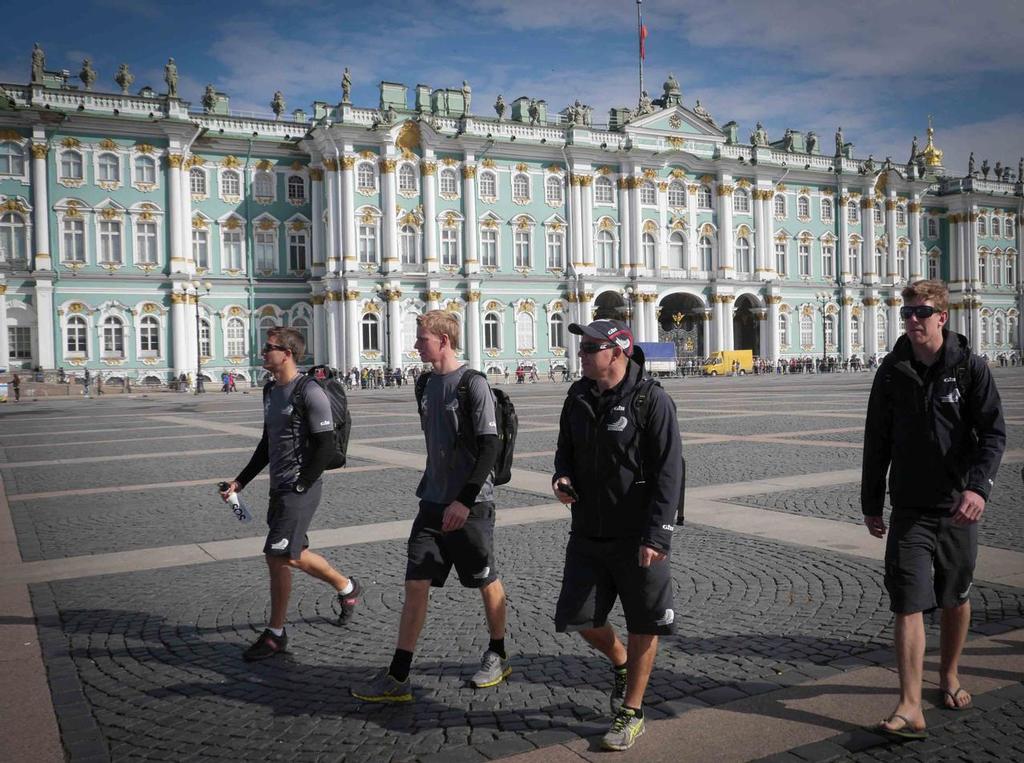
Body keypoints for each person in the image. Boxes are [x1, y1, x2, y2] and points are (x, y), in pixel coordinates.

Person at [862, 279, 1005, 739]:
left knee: (955, 598)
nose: (912, 321)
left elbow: (993, 435)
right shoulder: (890, 370)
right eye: (906, 313)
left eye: (921, 313)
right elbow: (875, 441)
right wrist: (871, 503)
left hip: (958, 507)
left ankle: (949, 674)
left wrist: (978, 489)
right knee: (907, 603)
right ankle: (909, 705)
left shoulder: (969, 368)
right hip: (909, 508)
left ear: (942, 316)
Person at [351, 310, 508, 702]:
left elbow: (490, 446)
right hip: (432, 503)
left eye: (422, 338)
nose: (416, 345)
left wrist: (465, 500)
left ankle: (498, 652)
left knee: (484, 580)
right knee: (415, 584)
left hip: (471, 506)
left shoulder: (474, 385)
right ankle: (398, 676)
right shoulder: (422, 384)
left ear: (443, 340)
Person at [551, 319, 683, 751]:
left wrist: (657, 536)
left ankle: (632, 710)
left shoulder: (651, 400)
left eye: (591, 347)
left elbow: (670, 472)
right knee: (578, 618)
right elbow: (564, 450)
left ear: (617, 351)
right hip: (588, 528)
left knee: (644, 621)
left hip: (638, 533)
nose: (582, 353)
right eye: (582, 346)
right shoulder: (577, 396)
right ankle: (621, 661)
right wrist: (562, 476)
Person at [220, 327, 362, 661]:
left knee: (277, 555)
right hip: (279, 486)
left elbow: (327, 445)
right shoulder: (269, 392)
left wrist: (302, 484)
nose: (262, 353)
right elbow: (267, 443)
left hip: (299, 489)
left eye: (268, 348)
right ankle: (347, 587)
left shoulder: (309, 391)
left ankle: (276, 634)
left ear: (287, 352)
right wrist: (240, 482)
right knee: (295, 554)